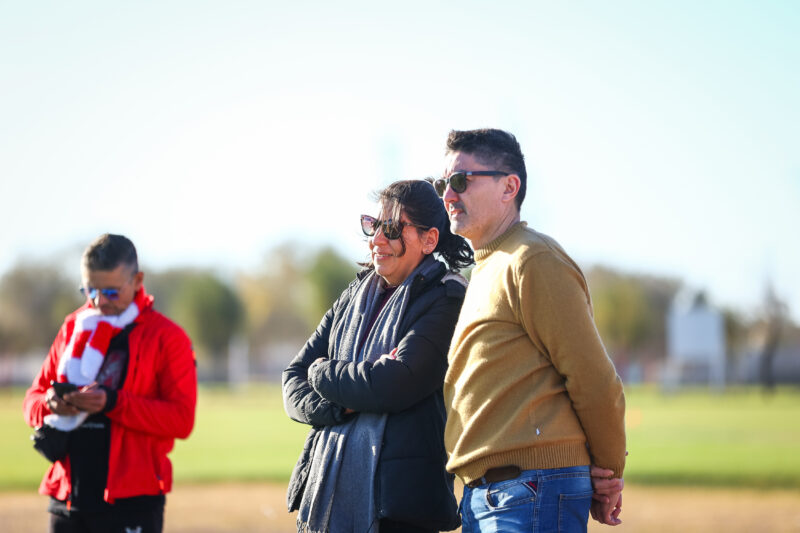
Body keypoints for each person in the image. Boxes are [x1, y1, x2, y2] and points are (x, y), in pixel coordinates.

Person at [434, 129, 627, 532]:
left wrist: (608, 473)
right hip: (494, 496)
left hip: (528, 492)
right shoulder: (488, 266)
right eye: (443, 184)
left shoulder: (532, 259)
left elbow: (594, 379)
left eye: (461, 181)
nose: (448, 195)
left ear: (509, 187)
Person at [283, 179, 473, 533]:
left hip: (400, 511)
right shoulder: (353, 295)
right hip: (326, 497)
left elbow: (395, 383)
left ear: (429, 239)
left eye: (393, 229)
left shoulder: (446, 299)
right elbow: (292, 379)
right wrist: (339, 407)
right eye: (374, 225)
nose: (377, 240)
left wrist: (323, 374)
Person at [23, 233, 197, 533]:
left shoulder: (167, 337)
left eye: (112, 292)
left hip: (132, 502)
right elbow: (32, 400)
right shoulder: (73, 326)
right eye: (89, 290)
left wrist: (113, 402)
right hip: (68, 497)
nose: (99, 301)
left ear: (138, 280)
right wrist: (50, 405)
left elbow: (181, 420)